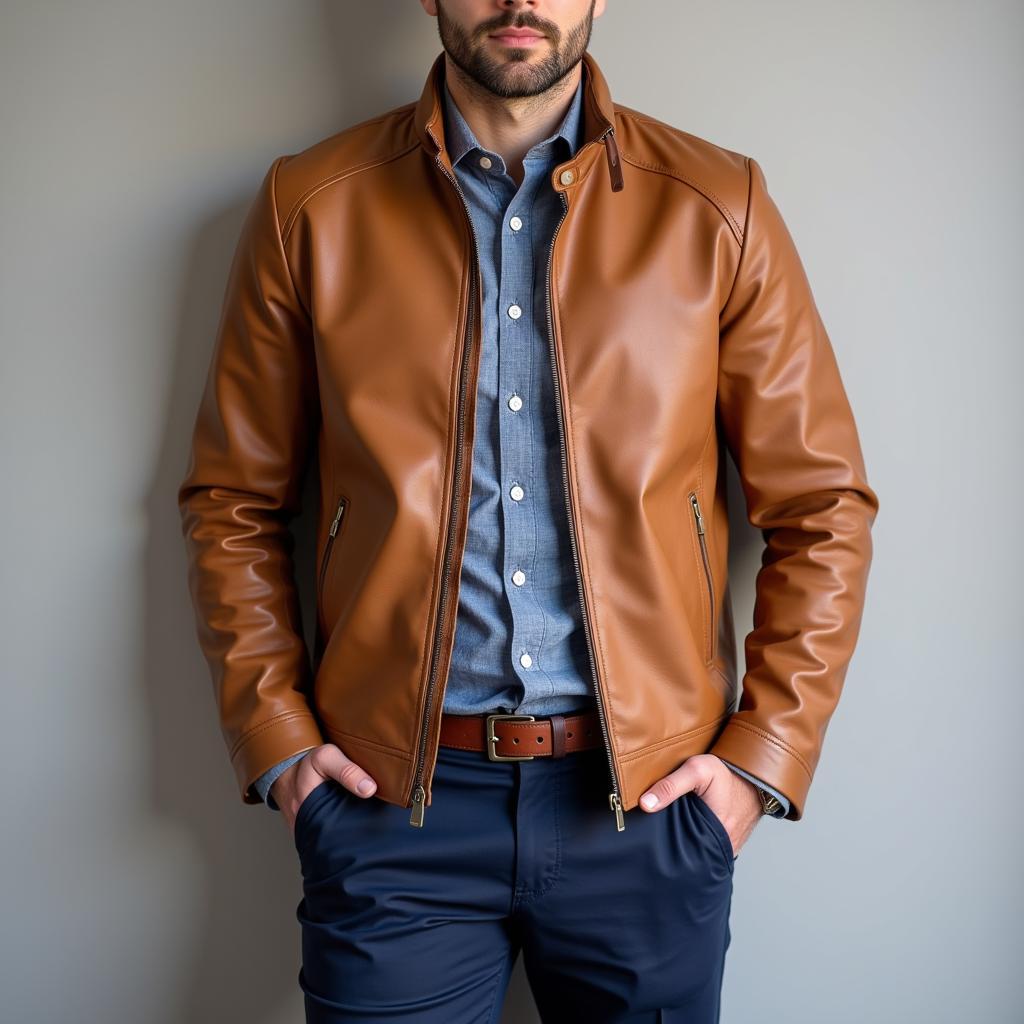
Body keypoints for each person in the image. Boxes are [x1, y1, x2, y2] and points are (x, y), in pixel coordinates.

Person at [177, 1, 880, 1020]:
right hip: (391, 815)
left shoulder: (715, 205)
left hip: (646, 808)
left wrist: (756, 762)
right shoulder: (312, 206)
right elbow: (232, 498)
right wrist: (281, 746)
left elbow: (821, 503)